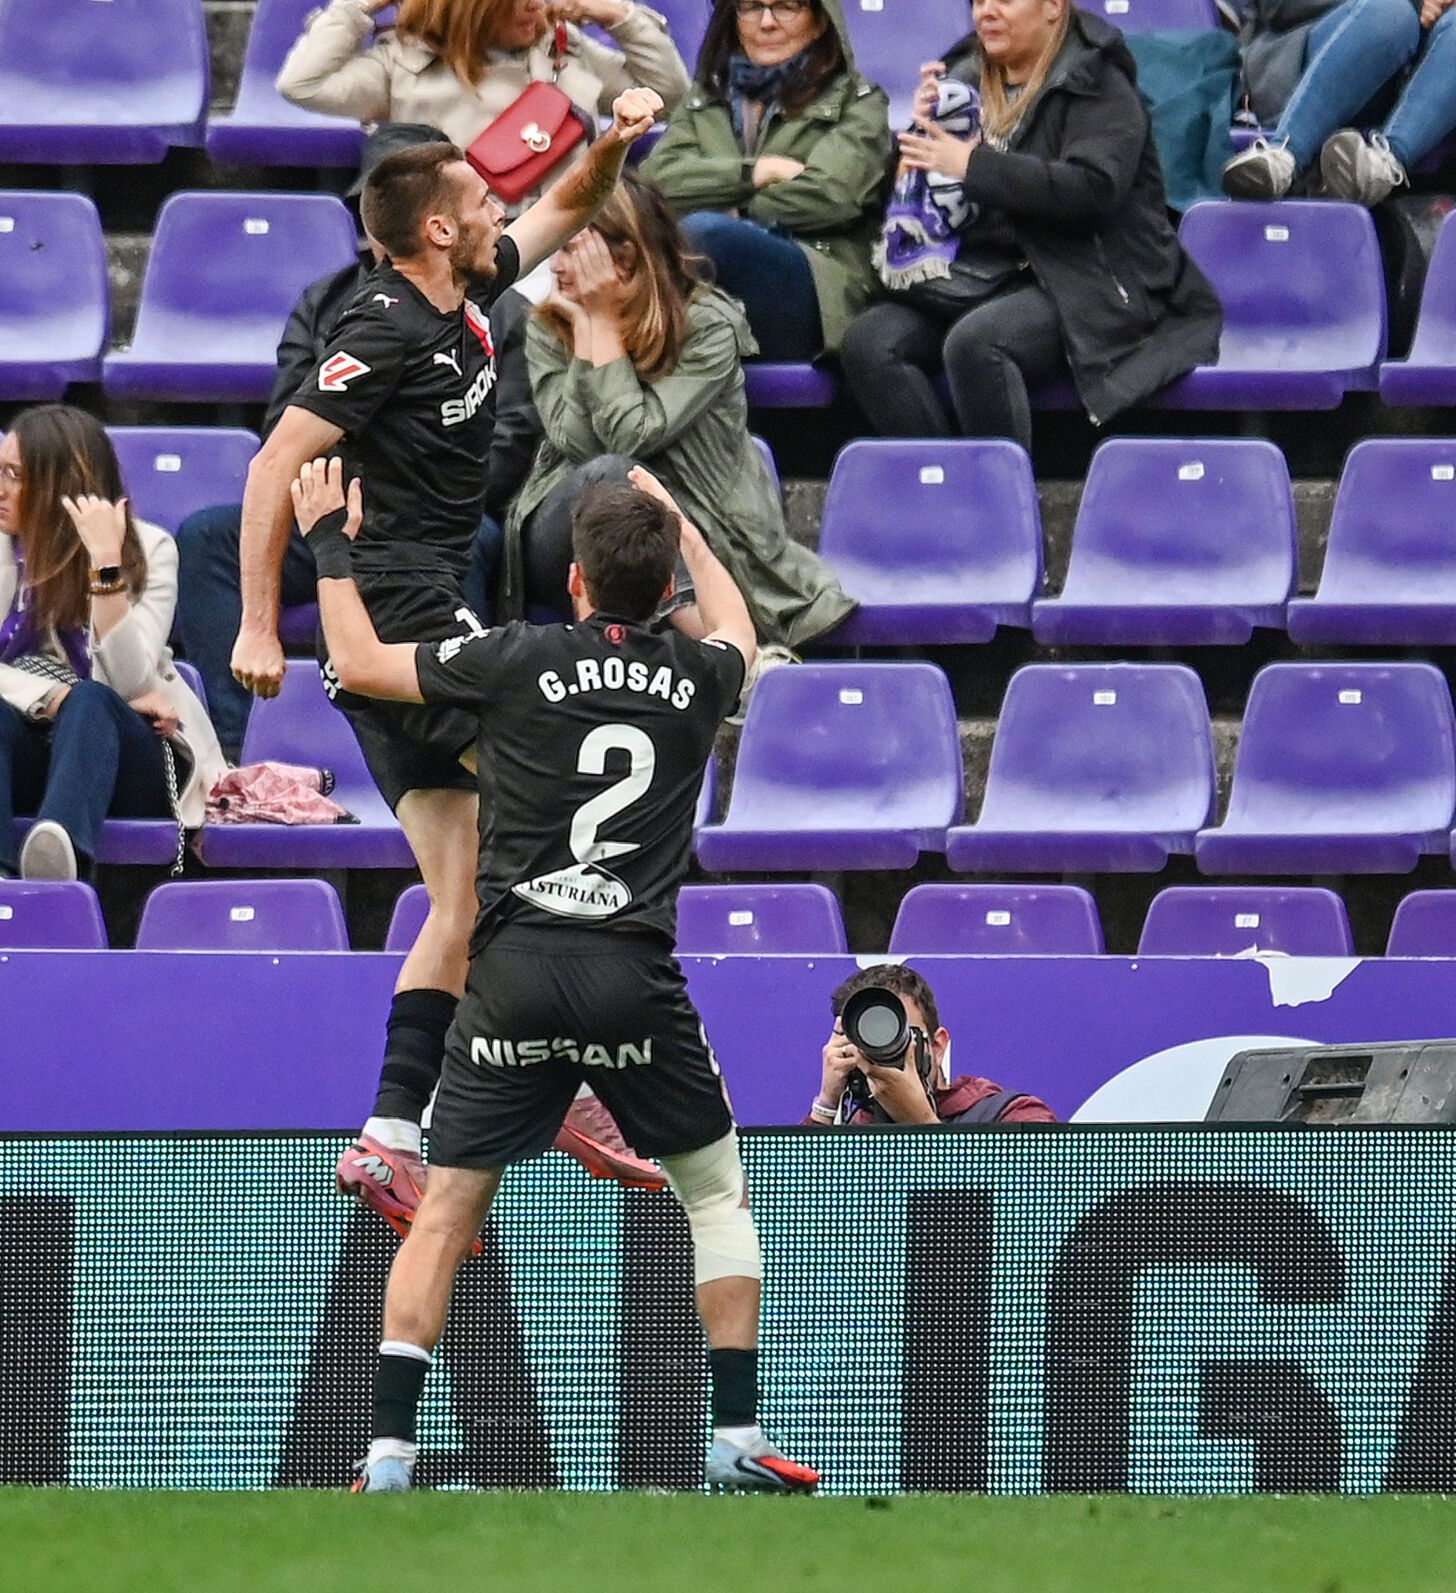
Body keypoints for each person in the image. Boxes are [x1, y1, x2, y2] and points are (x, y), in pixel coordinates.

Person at [289, 456, 819, 1494]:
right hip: (631, 976)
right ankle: (735, 1439)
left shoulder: (514, 656)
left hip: (514, 972)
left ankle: (390, 1452)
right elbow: (742, 633)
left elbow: (354, 662)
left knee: (443, 1210)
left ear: (573, 580)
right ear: (665, 587)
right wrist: (686, 529)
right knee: (712, 1194)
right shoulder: (700, 676)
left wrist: (326, 538)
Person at [234, 96, 670, 1233]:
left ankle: (387, 1138)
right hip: (402, 613)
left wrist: (613, 142)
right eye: (479, 201)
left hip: (416, 616)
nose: (499, 211)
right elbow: (274, 459)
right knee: (575, 781)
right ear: (434, 231)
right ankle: (566, 1082)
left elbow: (567, 196)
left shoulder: (458, 287)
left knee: (466, 898)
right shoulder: (380, 328)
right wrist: (251, 625)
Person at [175, 122, 531, 761]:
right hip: (342, 516)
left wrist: (422, 449)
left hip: (439, 514)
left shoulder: (485, 292)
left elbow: (516, 430)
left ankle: (440, 671)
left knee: (479, 537)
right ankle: (233, 753)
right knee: (206, 535)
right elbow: (282, 435)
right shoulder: (339, 303)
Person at [837, 0, 1222, 450]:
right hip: (985, 271)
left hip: (1086, 277)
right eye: (979, 1)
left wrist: (973, 166)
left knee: (977, 344)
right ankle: (946, 496)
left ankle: (1001, 505)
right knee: (869, 342)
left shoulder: (1095, 81)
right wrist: (914, 155)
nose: (987, 12)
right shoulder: (961, 77)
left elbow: (1093, 190)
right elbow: (924, 197)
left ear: (1054, 7)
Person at [513, 170, 856, 649]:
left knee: (629, 482)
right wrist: (594, 324)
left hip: (699, 527)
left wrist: (602, 327)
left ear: (625, 257)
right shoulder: (550, 327)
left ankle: (707, 648)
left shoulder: (708, 326)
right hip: (567, 528)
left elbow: (633, 433)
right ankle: (733, 657)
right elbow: (581, 445)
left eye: (572, 250)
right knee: (613, 476)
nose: (555, 268)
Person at [0, 408, 227, 884]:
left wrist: (106, 566)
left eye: (14, 476)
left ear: (61, 484)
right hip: (29, 746)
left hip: (126, 760)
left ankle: (60, 859)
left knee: (92, 701)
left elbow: (127, 680)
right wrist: (57, 699)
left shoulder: (151, 550)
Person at [641, 0, 891, 363]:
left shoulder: (857, 102)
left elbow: (832, 196)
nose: (767, 22)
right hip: (707, 281)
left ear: (820, 22)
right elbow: (655, 183)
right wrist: (757, 172)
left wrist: (732, 209)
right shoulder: (706, 99)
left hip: (814, 284)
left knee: (707, 233)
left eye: (786, 7)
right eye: (751, 7)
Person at [278, 0, 690, 163]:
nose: (537, 5)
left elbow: (667, 95)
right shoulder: (402, 65)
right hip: (464, 254)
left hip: (567, 248)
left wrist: (619, 16)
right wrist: (360, 6)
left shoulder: (563, 49)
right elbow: (303, 85)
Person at [1222, 0, 1456, 206]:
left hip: (1421, 85)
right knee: (1390, 12)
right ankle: (1283, 156)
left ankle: (1380, 168)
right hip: (1323, 52)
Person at [809, 963, 1058, 1125]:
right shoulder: (859, 1125)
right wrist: (825, 1106)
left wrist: (921, 1122)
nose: (884, 1053)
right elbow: (796, 1200)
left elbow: (1041, 1197)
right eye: (870, 1043)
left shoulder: (1008, 1115)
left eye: (900, 1036)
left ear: (937, 1047)